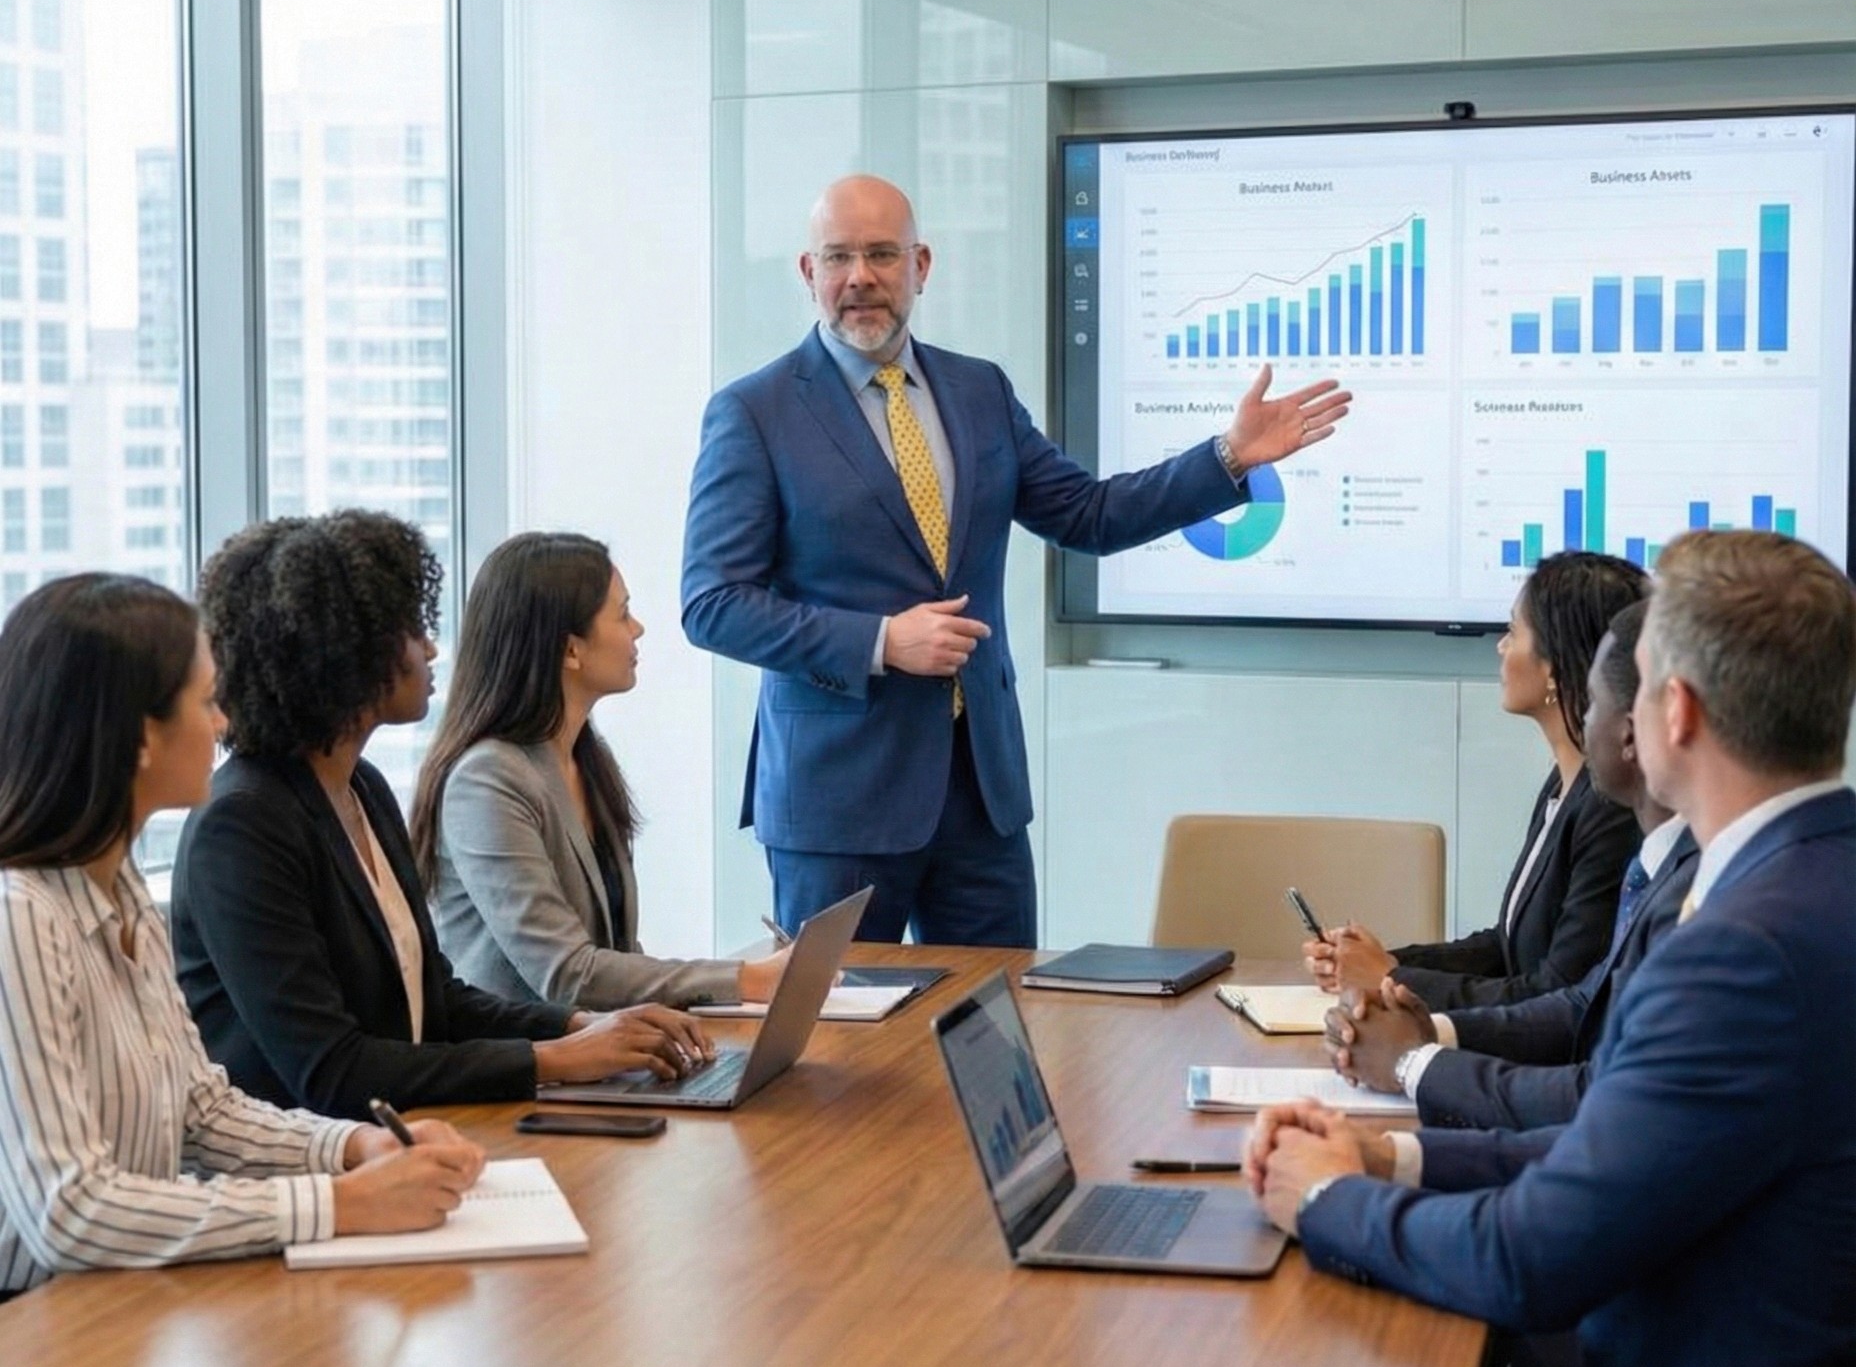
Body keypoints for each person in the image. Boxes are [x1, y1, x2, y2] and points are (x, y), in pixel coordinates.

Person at [1162, 529, 1856, 1367]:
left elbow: (1540, 1254)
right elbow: (1610, 1153)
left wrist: (1326, 1204)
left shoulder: (1750, 950)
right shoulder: (1812, 885)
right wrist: (1390, 1152)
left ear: (1678, 710)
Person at [681, 173, 1351, 946]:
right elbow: (712, 602)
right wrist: (878, 642)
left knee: (995, 1030)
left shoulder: (978, 391)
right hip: (838, 799)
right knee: (841, 1046)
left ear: (920, 264)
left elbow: (1089, 516)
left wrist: (1227, 458)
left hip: (979, 793)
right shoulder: (753, 412)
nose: (859, 276)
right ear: (809, 273)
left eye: (880, 254)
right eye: (837, 257)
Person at [0, 575, 485, 1367]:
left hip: (106, 1340)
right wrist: (334, 1206)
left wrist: (353, 1145)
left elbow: (201, 1106)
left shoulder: (116, 882)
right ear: (137, 737)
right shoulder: (19, 919)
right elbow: (72, 1210)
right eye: (206, 700)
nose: (225, 726)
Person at [172, 512, 712, 1120]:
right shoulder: (242, 824)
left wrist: (587, 1025)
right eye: (410, 629)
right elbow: (330, 1070)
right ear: (345, 650)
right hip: (306, 1173)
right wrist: (558, 1060)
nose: (431, 648)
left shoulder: (363, 790)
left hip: (402, 1139)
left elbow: (437, 1003)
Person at [1326, 598, 1698, 1130]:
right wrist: (1428, 1030)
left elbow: (1604, 1098)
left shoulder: (1710, 890)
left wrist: (1413, 1061)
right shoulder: (1672, 858)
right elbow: (1580, 1000)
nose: (1584, 721)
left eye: (1592, 701)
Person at [411, 532, 785, 1013]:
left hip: (605, 1055)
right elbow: (567, 973)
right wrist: (745, 979)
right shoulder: (486, 780)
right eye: (623, 613)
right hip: (530, 1067)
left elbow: (618, 954)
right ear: (570, 651)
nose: (639, 629)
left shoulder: (585, 757)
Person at [1305, 548, 1646, 1007]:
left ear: (1555, 664)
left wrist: (1390, 975)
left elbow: (1556, 993)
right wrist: (1376, 963)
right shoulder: (1564, 784)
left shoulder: (1609, 809)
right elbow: (1506, 948)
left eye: (1512, 632)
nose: (1501, 647)